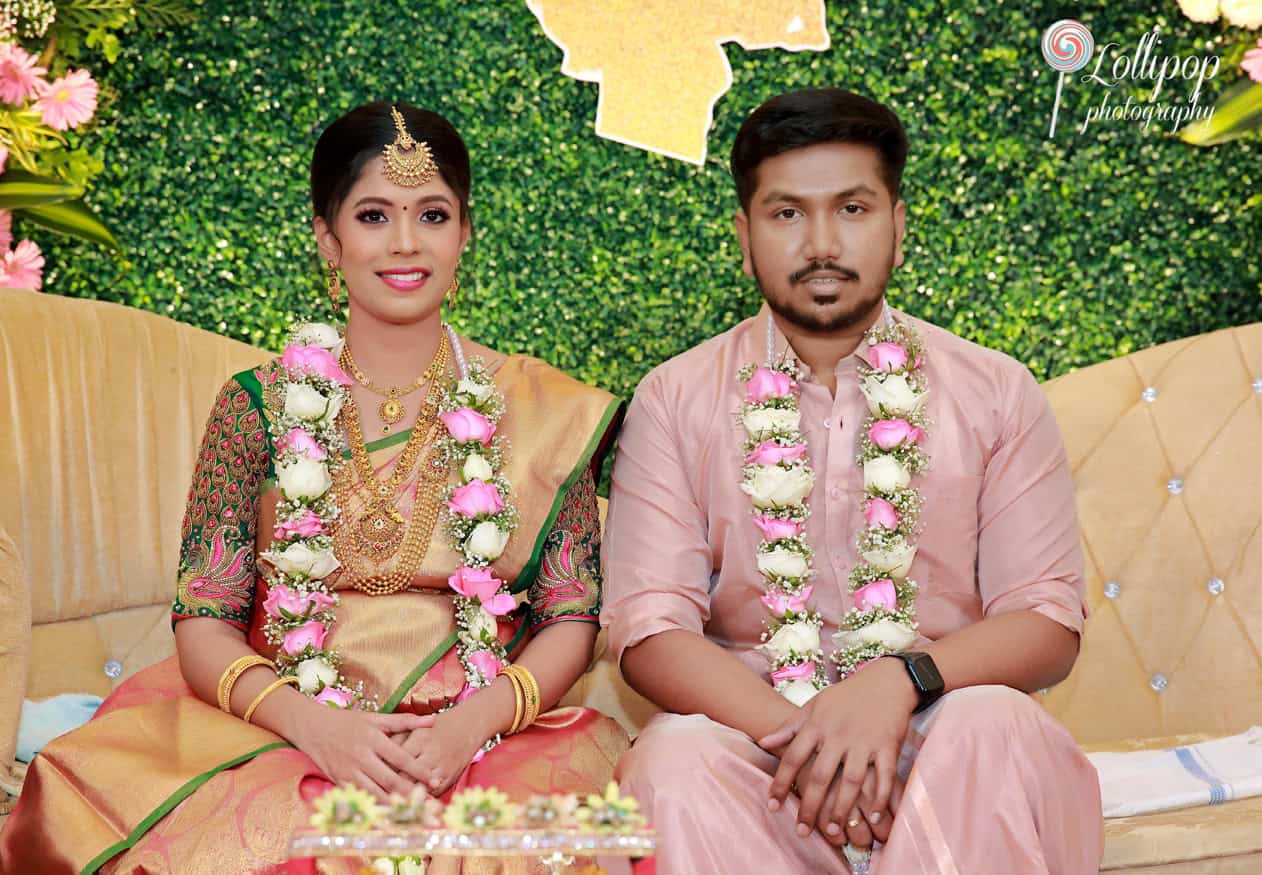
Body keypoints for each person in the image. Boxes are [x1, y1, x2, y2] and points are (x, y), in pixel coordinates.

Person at [1, 102, 628, 874]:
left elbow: (572, 616)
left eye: (431, 214)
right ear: (328, 239)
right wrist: (316, 727)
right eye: (373, 215)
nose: (405, 242)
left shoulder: (544, 410)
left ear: (466, 233)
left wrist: (469, 726)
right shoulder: (257, 405)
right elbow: (204, 618)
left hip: (482, 732)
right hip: (287, 726)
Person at [602, 87, 1103, 873]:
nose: (822, 243)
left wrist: (898, 682)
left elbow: (1046, 622)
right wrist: (816, 742)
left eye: (854, 209)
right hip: (764, 757)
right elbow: (648, 629)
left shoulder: (996, 390)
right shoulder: (674, 398)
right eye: (787, 214)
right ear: (744, 236)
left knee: (991, 724)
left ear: (899, 227)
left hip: (945, 745)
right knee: (671, 759)